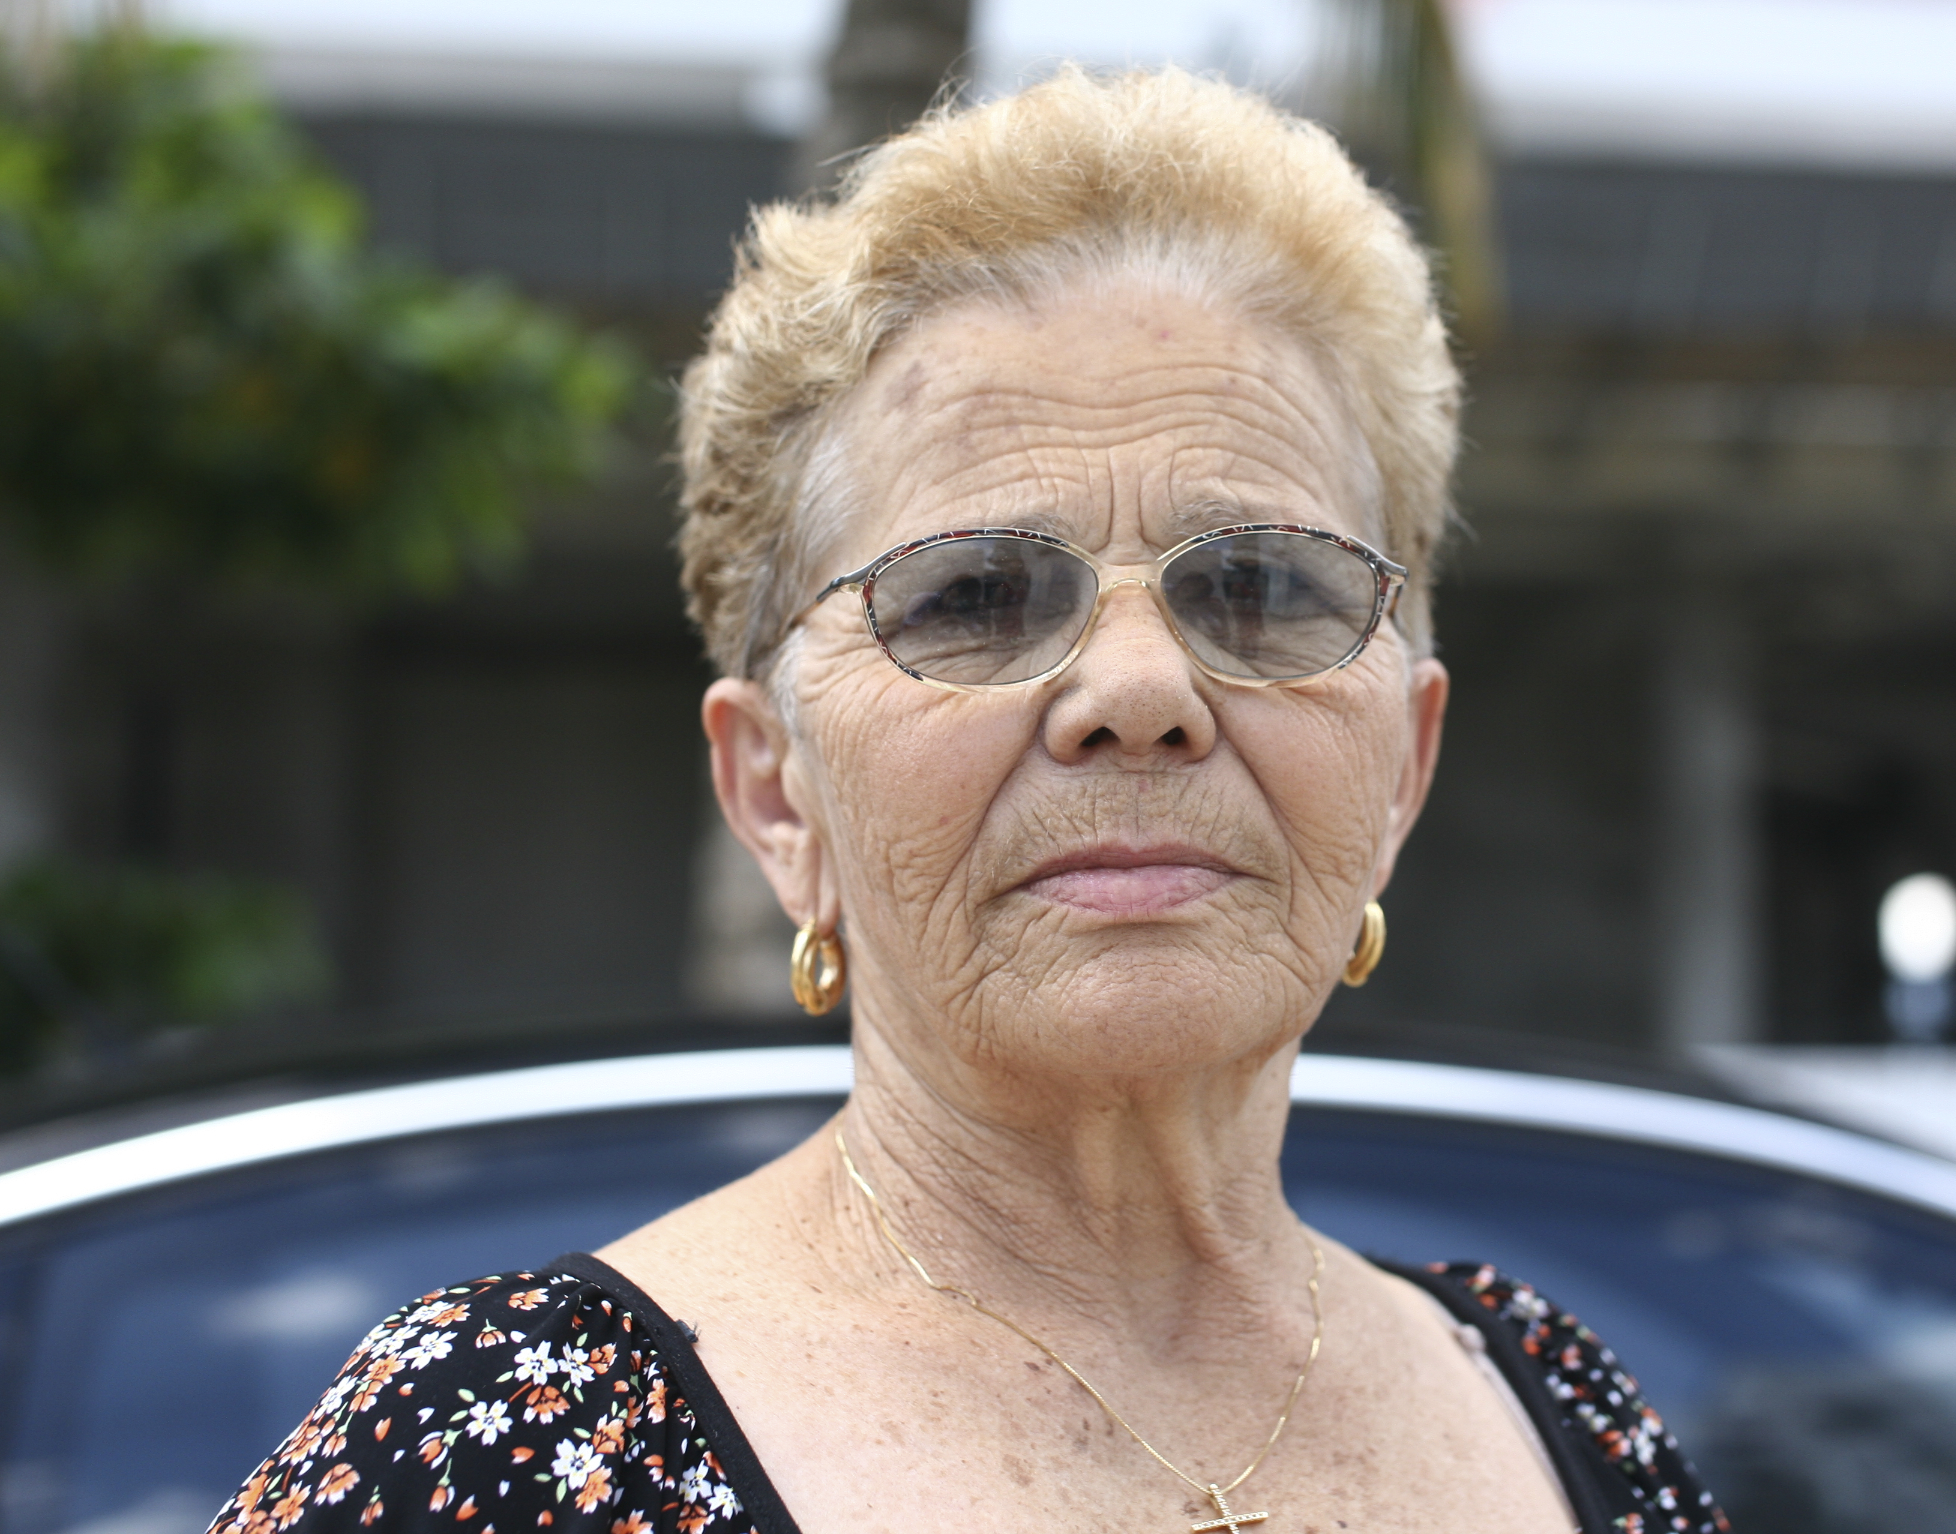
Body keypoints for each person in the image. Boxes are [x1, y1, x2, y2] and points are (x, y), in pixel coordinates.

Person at [213, 68, 1727, 1534]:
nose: (1138, 689)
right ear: (775, 791)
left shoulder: (1555, 1405)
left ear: (1404, 759)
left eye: (1259, 585)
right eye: (976, 596)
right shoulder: (489, 1451)